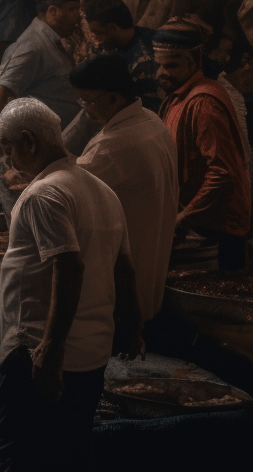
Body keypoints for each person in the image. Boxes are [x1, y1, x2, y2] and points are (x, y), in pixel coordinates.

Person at [0, 98, 141, 472]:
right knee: (69, 453)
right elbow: (124, 269)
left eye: (8, 151)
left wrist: (50, 352)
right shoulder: (103, 192)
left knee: (18, 451)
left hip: (39, 351)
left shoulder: (46, 194)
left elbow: (69, 265)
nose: (9, 162)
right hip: (91, 354)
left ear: (29, 141)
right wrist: (131, 327)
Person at [70, 54, 179, 320]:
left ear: (114, 99)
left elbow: (67, 192)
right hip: (150, 265)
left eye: (88, 101)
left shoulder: (112, 146)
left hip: (121, 281)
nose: (85, 108)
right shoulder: (151, 120)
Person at [155, 20, 251, 270]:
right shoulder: (176, 96)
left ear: (194, 62)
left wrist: (183, 218)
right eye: (159, 65)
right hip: (198, 224)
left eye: (172, 65)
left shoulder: (204, 103)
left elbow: (222, 172)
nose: (161, 73)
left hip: (218, 231)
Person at [0, 0, 82, 178]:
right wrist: (9, 159)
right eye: (72, 9)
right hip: (19, 164)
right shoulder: (32, 45)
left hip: (34, 156)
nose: (77, 16)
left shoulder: (51, 42)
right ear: (53, 11)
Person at [83, 0, 161, 111]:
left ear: (113, 27)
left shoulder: (144, 62)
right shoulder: (123, 41)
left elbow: (148, 112)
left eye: (99, 33)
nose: (97, 40)